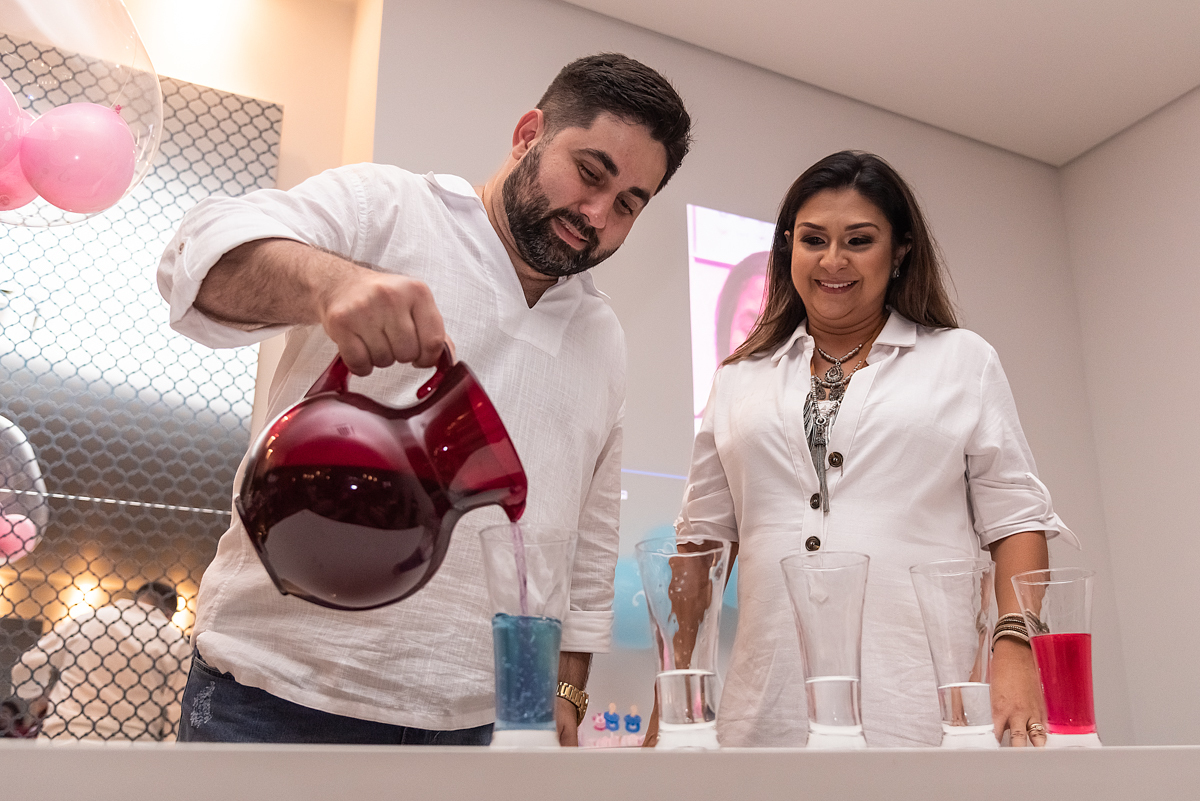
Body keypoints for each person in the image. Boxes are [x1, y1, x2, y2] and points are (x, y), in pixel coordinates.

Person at [156, 53, 691, 745]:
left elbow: (584, 539)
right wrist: (329, 284)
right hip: (275, 696)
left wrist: (567, 689)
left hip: (473, 726)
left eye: (627, 204)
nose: (596, 214)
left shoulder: (601, 334)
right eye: (590, 173)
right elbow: (193, 260)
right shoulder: (389, 209)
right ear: (529, 133)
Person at [669, 151, 1076, 748]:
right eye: (813, 239)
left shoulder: (961, 360)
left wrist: (1014, 649)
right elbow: (703, 543)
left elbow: (1016, 521)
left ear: (900, 249)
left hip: (922, 709)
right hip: (766, 714)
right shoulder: (739, 377)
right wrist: (679, 691)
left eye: (859, 240)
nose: (833, 261)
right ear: (788, 249)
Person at [11, 581, 191, 740]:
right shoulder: (173, 640)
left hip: (63, 735)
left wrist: (36, 693)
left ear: (136, 599)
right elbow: (178, 709)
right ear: (169, 615)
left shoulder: (88, 620)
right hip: (131, 745)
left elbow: (28, 664)